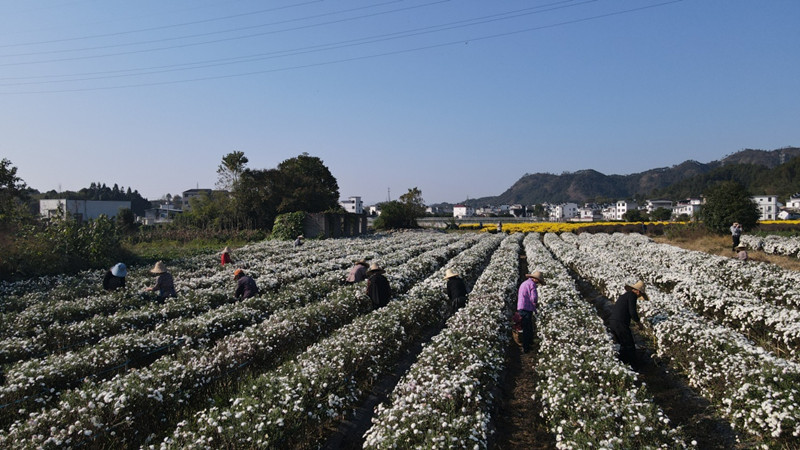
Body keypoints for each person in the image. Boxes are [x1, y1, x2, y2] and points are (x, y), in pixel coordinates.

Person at [609, 281, 648, 366]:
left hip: (613, 321)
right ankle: (633, 366)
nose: (638, 296)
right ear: (637, 291)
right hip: (620, 323)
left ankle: (622, 364)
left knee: (622, 345)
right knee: (629, 346)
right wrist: (639, 323)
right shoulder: (632, 295)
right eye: (640, 294)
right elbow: (632, 312)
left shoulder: (625, 295)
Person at [517, 271, 545, 353]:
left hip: (521, 307)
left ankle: (529, 344)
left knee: (528, 327)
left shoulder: (525, 283)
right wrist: (536, 303)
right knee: (527, 328)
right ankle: (526, 348)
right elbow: (534, 298)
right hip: (526, 308)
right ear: (536, 279)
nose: (538, 283)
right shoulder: (532, 284)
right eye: (538, 281)